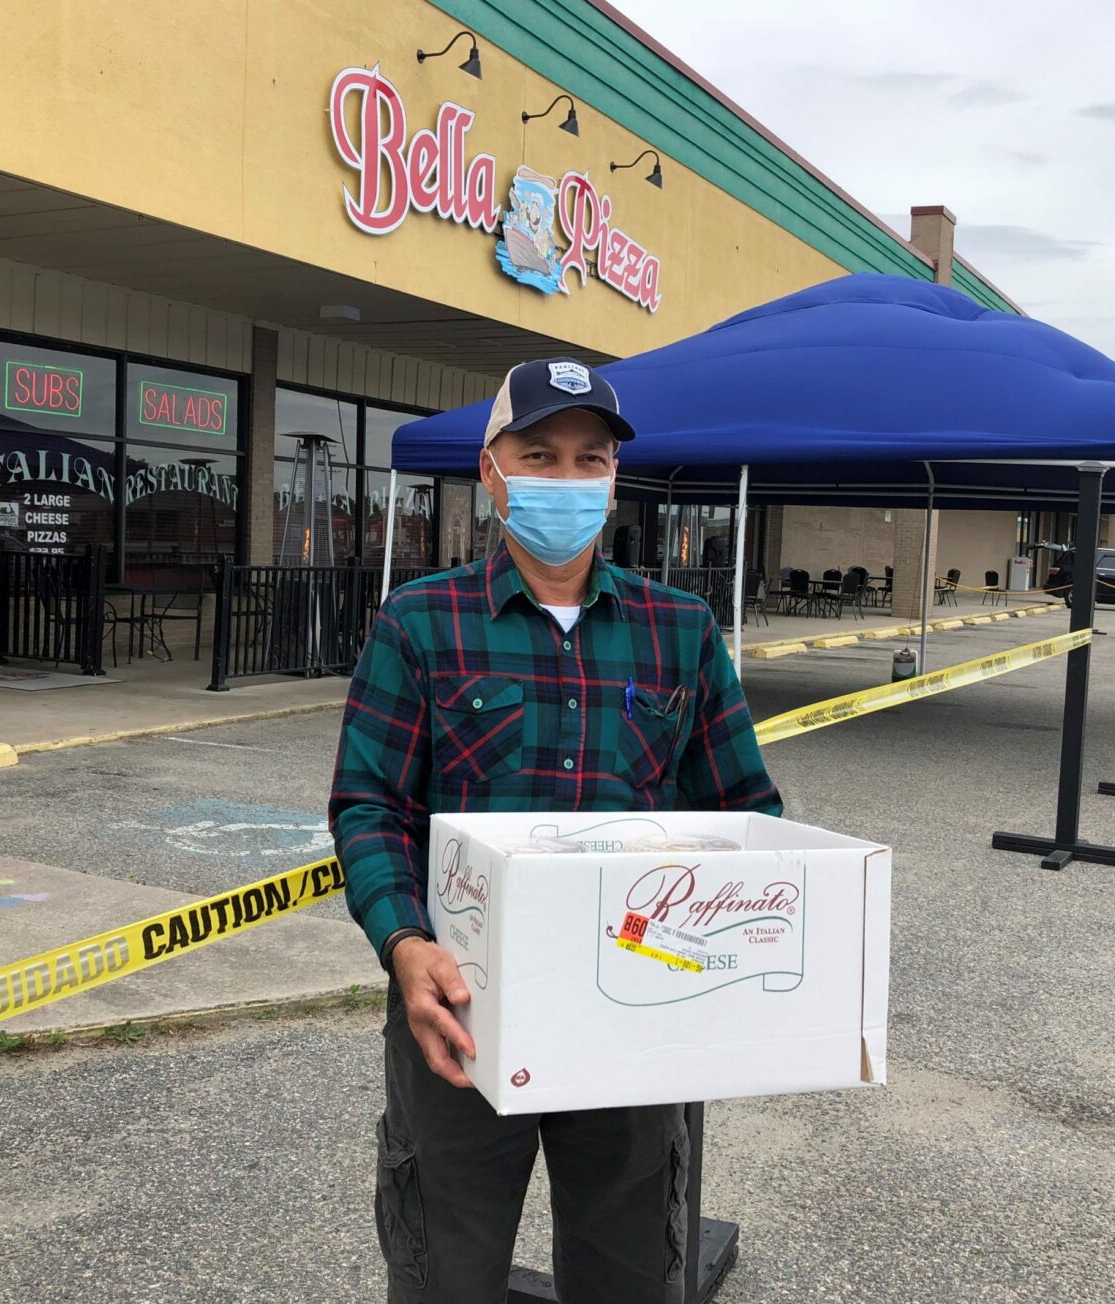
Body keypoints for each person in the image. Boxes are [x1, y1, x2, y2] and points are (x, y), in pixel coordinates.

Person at [330, 357, 782, 1303]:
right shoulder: (420, 625)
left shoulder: (681, 631)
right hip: (460, 1013)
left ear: (614, 479)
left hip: (631, 1011)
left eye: (589, 460)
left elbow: (744, 814)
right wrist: (404, 946)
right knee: (446, 1271)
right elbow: (370, 807)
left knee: (626, 1273)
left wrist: (727, 952)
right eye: (539, 455)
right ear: (491, 472)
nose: (565, 480)